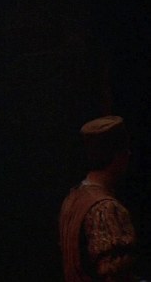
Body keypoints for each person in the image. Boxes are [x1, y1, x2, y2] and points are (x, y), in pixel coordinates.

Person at [59, 115, 139, 282]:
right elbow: (115, 275)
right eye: (125, 150)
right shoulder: (105, 207)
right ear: (118, 156)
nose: (129, 155)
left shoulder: (74, 197)